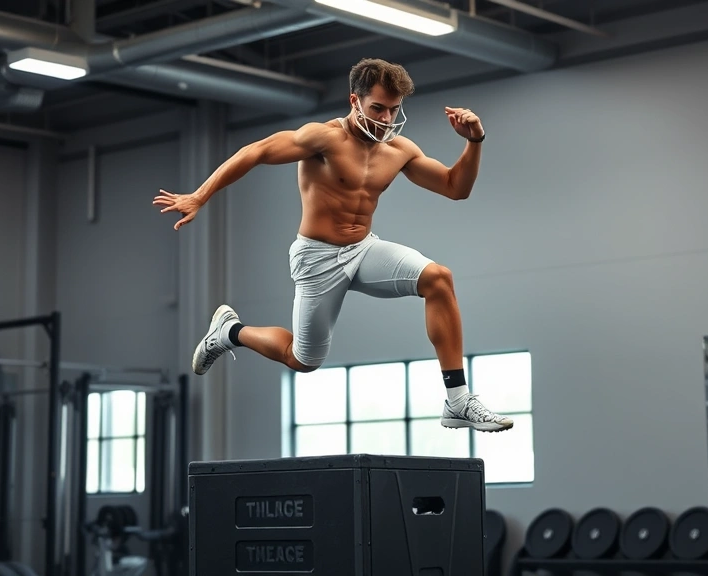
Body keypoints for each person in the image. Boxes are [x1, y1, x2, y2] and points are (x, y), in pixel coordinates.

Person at [153, 58, 512, 433]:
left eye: (394, 110)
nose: (387, 120)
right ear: (355, 100)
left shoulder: (400, 149)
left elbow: (456, 188)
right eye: (378, 108)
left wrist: (474, 141)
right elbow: (255, 152)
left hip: (364, 248)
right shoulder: (323, 139)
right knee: (302, 360)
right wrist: (199, 195)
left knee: (438, 278)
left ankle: (457, 401)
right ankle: (230, 333)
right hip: (317, 257)